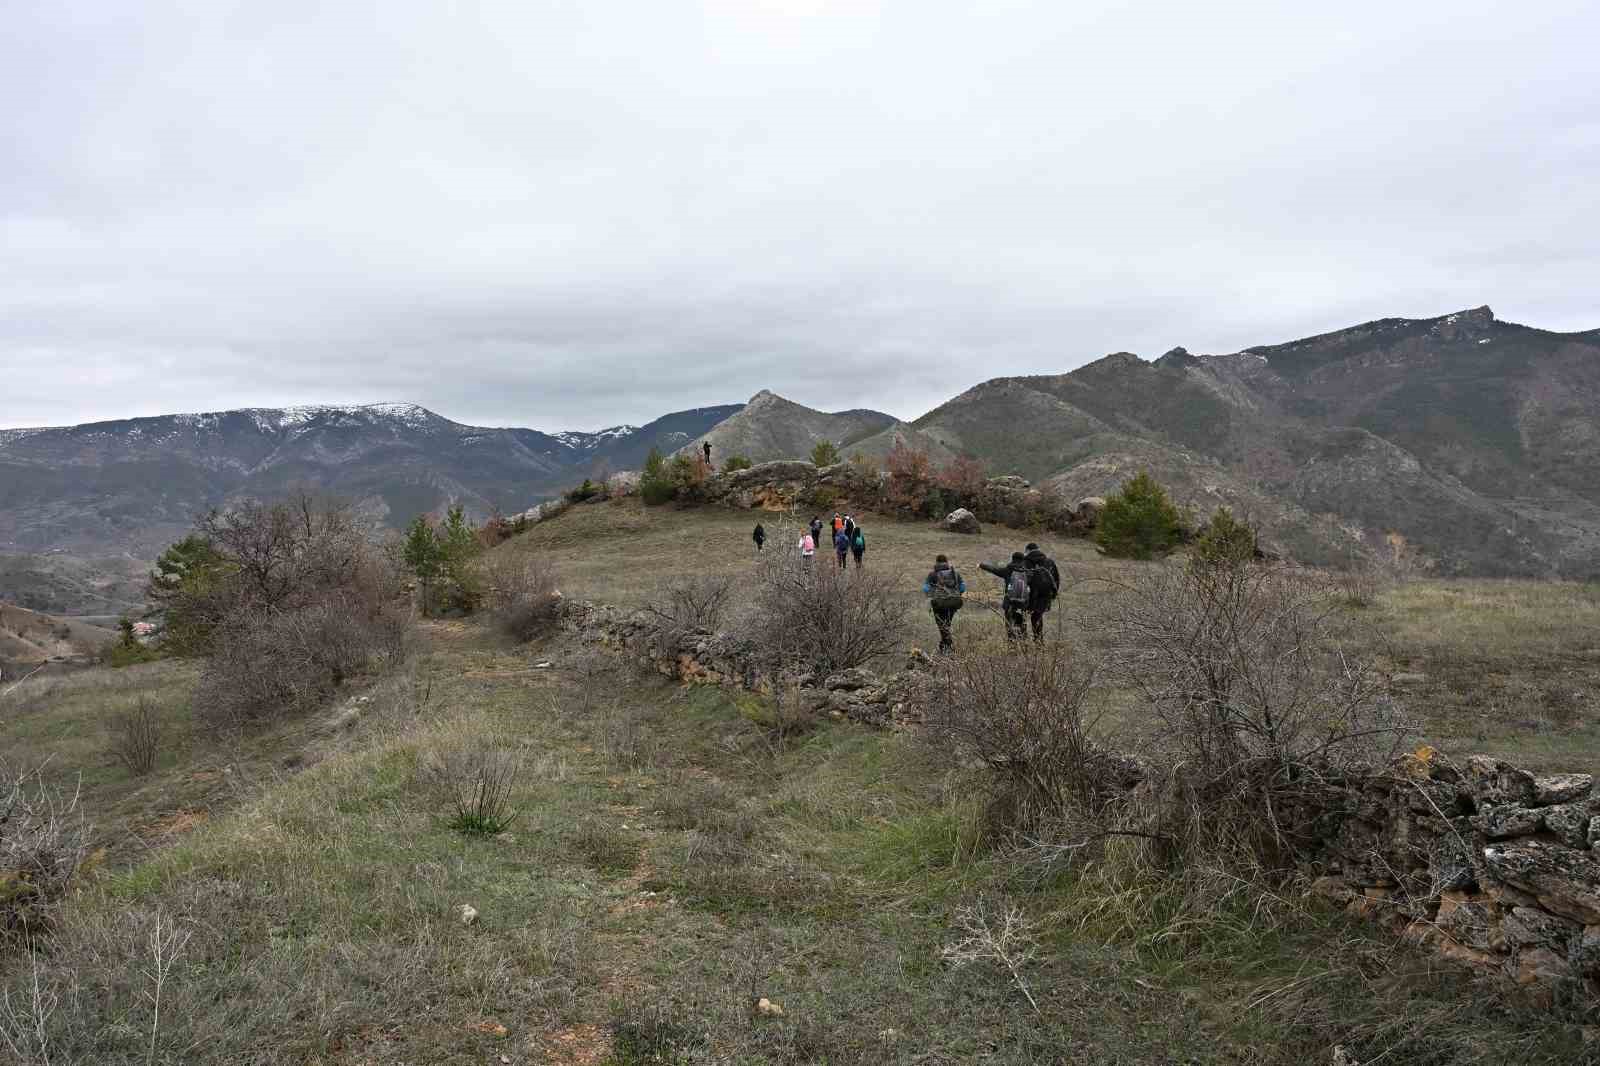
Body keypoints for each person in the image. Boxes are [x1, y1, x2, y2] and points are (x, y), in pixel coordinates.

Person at [979, 551, 1031, 642]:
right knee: (1022, 624)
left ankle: (1012, 645)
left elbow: (994, 569)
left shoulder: (1008, 570)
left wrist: (981, 565)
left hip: (1010, 603)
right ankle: (1024, 645)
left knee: (1009, 624)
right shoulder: (1027, 572)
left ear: (1012, 559)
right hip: (1023, 604)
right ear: (1023, 560)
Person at [922, 554, 966, 653]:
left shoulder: (932, 574)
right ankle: (944, 646)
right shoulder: (955, 573)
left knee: (942, 626)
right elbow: (963, 587)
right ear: (947, 562)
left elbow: (925, 588)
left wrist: (932, 594)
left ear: (936, 562)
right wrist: (954, 594)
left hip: (938, 605)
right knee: (947, 624)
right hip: (953, 603)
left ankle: (948, 648)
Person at [1022, 542, 1061, 641]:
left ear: (1027, 550)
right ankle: (1038, 641)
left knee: (1023, 616)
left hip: (1030, 594)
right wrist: (1053, 595)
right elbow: (1056, 579)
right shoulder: (1049, 561)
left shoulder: (1025, 562)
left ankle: (1023, 641)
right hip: (1045, 594)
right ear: (1038, 549)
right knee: (1037, 616)